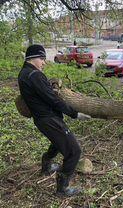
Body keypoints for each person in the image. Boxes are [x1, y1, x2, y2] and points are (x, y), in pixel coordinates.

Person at [18, 44, 90, 197]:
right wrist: (74, 114)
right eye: (42, 59)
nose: (44, 62)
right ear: (32, 58)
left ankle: (47, 165)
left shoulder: (23, 73)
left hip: (41, 119)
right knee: (74, 151)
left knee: (58, 142)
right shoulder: (35, 75)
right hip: (49, 119)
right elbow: (53, 100)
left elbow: (42, 94)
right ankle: (62, 188)